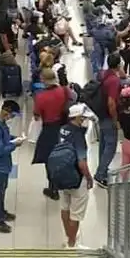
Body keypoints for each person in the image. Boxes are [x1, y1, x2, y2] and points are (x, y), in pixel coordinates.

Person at [54, 104, 95, 249]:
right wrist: (89, 178)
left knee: (65, 207)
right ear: (76, 118)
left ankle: (68, 237)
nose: (85, 121)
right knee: (75, 214)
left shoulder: (62, 129)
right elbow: (82, 163)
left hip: (61, 175)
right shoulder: (78, 137)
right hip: (76, 179)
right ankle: (72, 244)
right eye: (83, 118)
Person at [32, 68, 74, 200]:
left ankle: (53, 187)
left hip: (49, 129)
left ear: (43, 80)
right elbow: (72, 100)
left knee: (49, 158)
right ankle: (67, 181)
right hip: (64, 126)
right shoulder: (64, 90)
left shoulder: (40, 96)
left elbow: (37, 115)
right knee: (65, 154)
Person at [0, 100, 24, 233]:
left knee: (2, 189)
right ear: (6, 111)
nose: (13, 118)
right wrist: (15, 145)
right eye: (12, 115)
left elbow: (6, 138)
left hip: (4, 165)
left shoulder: (2, 124)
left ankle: (1, 212)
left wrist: (15, 138)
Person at [93, 53, 124, 188]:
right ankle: (100, 175)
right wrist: (115, 119)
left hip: (100, 113)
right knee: (111, 146)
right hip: (108, 115)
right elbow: (111, 102)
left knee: (104, 144)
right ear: (118, 65)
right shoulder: (114, 81)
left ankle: (103, 170)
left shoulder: (104, 74)